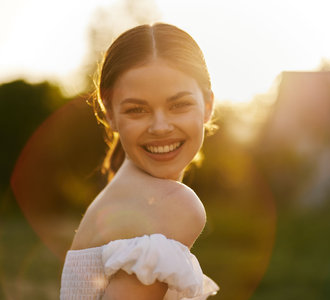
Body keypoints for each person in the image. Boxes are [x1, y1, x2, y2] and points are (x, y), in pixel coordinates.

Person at [60, 23, 219, 299]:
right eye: (137, 109)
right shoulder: (175, 204)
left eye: (178, 105)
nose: (160, 127)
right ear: (109, 113)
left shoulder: (123, 190)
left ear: (207, 105)